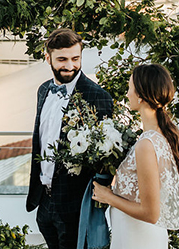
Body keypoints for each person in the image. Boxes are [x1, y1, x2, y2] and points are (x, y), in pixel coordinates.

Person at [26, 28, 113, 249]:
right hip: (43, 202)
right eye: (62, 59)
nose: (70, 66)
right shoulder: (43, 90)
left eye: (75, 59)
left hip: (75, 207)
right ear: (48, 58)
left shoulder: (97, 97)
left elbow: (105, 159)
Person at [92, 63, 179, 249]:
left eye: (130, 88)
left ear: (141, 96)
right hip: (133, 234)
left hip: (138, 238)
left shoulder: (147, 145)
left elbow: (151, 213)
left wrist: (108, 197)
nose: (127, 94)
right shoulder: (156, 136)